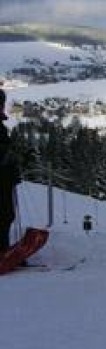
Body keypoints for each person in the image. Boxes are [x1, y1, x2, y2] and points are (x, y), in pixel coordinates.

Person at [0, 89, 21, 255]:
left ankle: (4, 250)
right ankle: (2, 252)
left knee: (6, 215)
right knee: (4, 214)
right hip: (2, 179)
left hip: (5, 179)